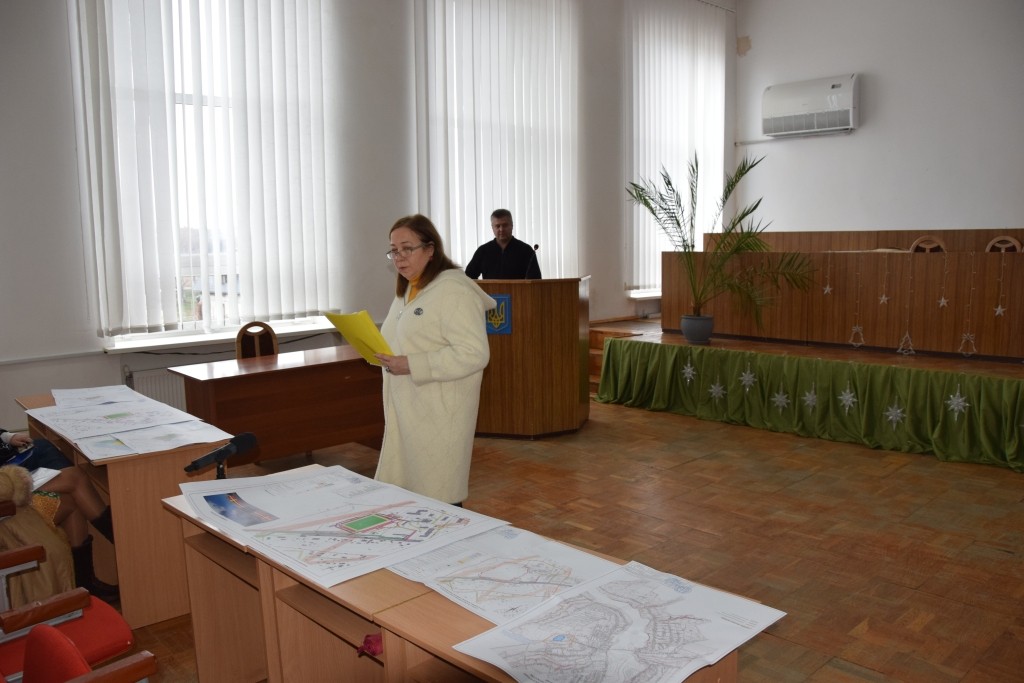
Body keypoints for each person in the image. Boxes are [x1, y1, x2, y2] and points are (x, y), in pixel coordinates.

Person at [374, 214, 497, 506]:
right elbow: (402, 338)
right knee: (408, 502)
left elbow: (474, 353)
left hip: (440, 414)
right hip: (407, 410)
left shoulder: (454, 290)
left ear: (430, 249)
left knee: (440, 504)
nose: (399, 257)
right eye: (394, 250)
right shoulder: (408, 289)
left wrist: (411, 364)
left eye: (407, 248)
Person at [1, 428, 118, 600]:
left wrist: (6, 437)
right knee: (74, 480)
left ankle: (85, 583)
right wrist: (15, 478)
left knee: (71, 498)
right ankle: (123, 543)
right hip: (7, 511)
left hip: (8, 477)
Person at [464, 209, 541, 279]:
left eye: (505, 225)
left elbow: (536, 280)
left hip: (518, 290)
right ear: (492, 228)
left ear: (512, 226)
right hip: (489, 291)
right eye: (497, 226)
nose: (501, 229)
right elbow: (468, 278)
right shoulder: (483, 251)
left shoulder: (526, 250)